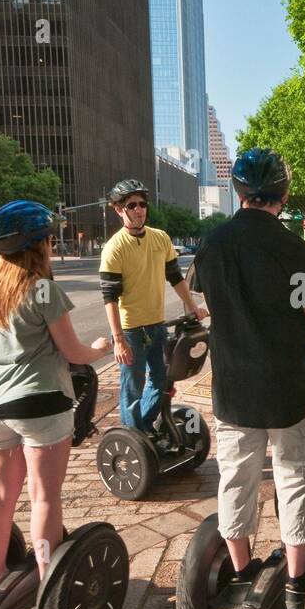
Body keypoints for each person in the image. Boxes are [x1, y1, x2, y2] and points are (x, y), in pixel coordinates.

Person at [193, 148, 305, 609]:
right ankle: (297, 582)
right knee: (297, 477)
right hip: (288, 390)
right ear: (283, 192)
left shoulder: (211, 244)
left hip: (233, 390)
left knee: (235, 479)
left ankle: (239, 574)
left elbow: (205, 308)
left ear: (239, 192)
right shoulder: (294, 249)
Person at [0, 201, 111, 609]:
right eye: (50, 239)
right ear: (39, 245)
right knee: (44, 497)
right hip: (40, 402)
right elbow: (72, 351)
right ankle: (49, 577)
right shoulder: (44, 288)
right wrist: (100, 350)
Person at [99, 179, 207, 439]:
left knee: (162, 383)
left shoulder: (160, 239)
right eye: (131, 205)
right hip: (131, 331)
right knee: (132, 389)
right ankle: (133, 438)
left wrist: (194, 308)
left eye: (142, 204)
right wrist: (118, 340)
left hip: (157, 326)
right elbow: (109, 298)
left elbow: (176, 278)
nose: (139, 210)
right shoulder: (114, 248)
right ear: (118, 210)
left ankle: (142, 431)